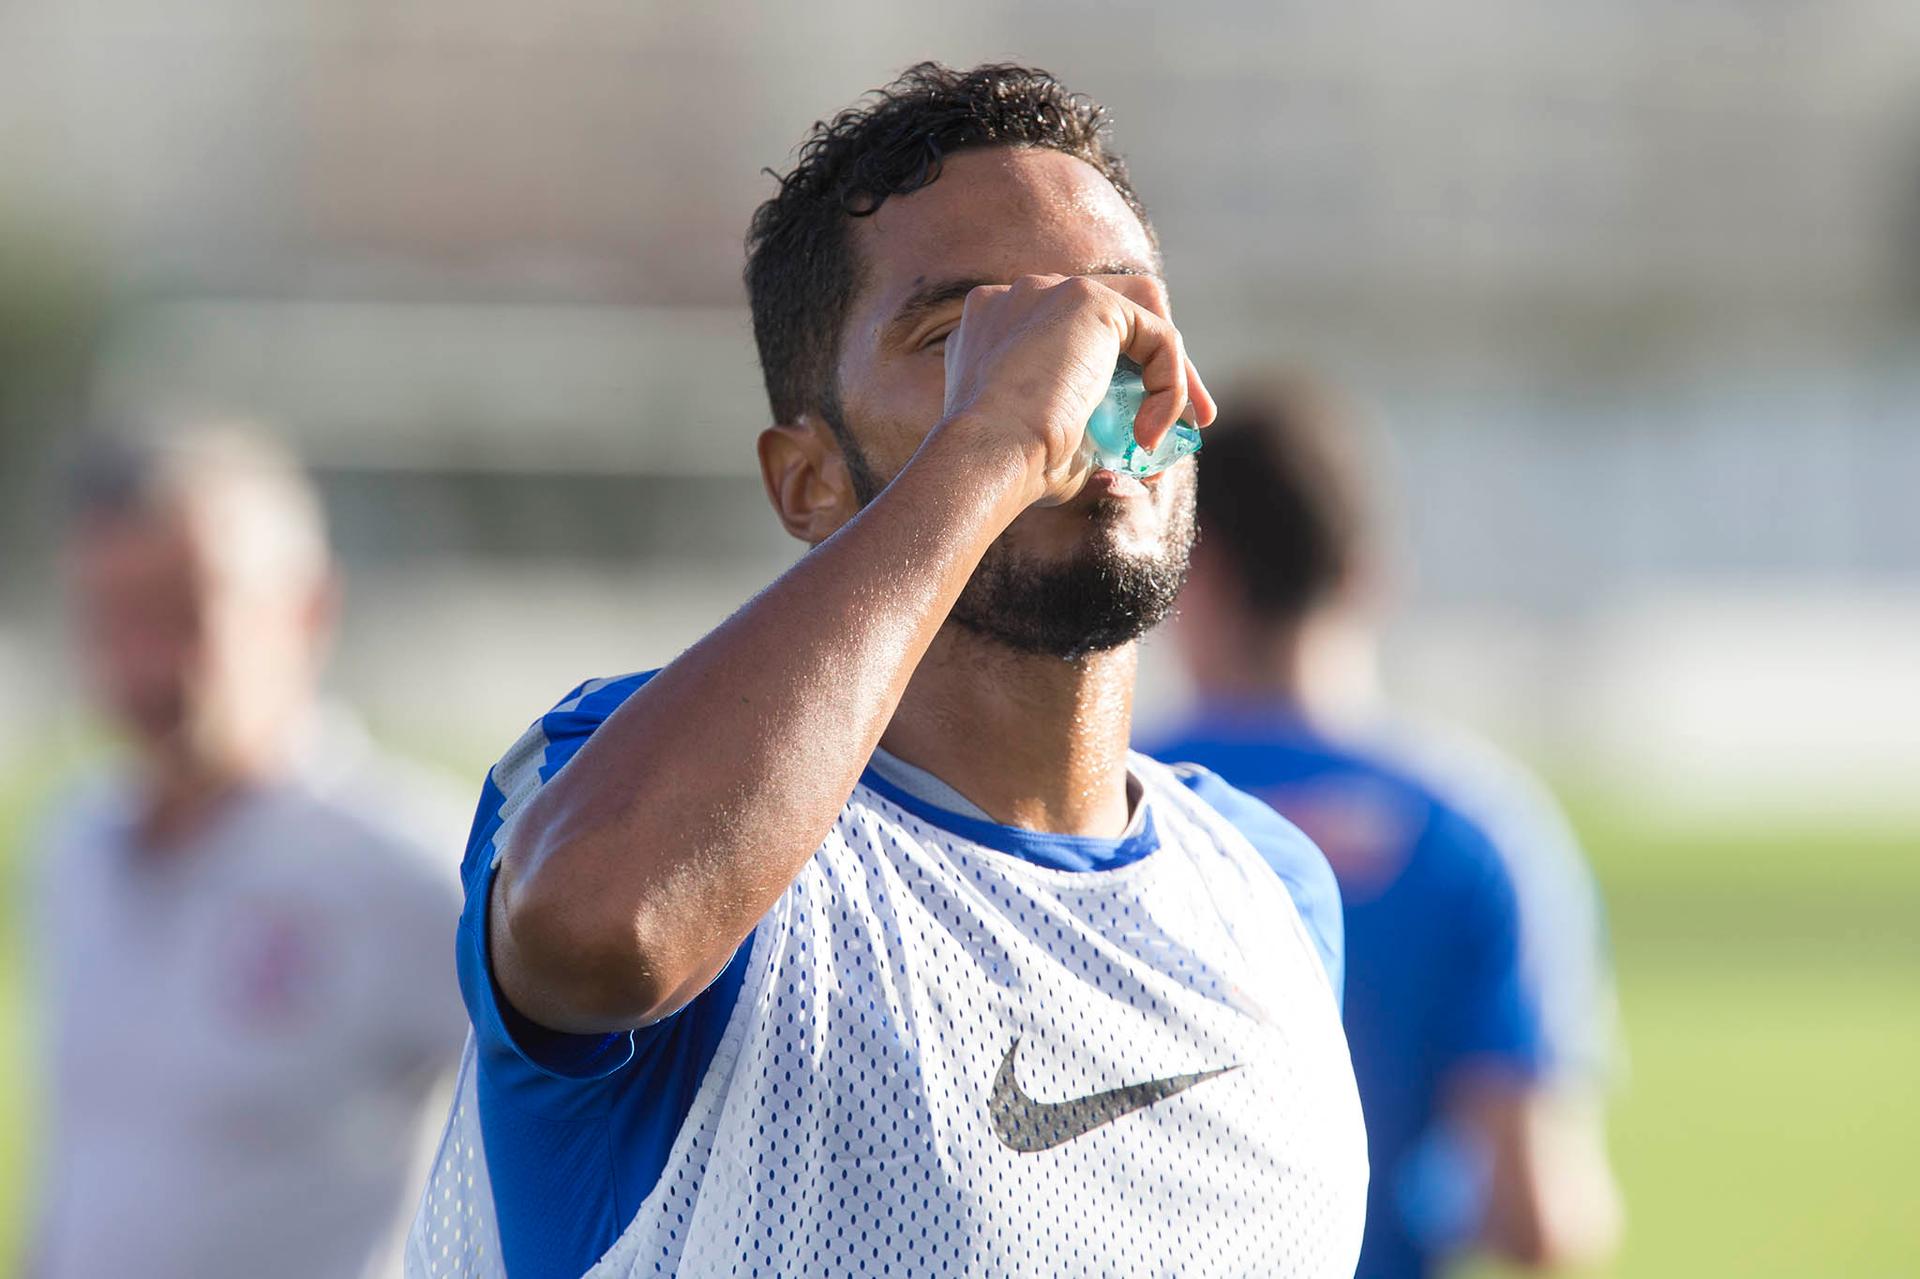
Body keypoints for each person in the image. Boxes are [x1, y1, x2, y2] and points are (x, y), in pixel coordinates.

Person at [407, 63, 1368, 1279]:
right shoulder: (638, 793)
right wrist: (998, 441)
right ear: (806, 480)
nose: (1088, 378)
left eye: (1122, 316)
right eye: (968, 333)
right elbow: (604, 928)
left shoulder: (1271, 888)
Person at [1144, 381, 1624, 1278]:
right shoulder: (1479, 828)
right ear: (1368, 572)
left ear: (1193, 570)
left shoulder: (1112, 807)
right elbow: (1541, 1215)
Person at [32, 427, 470, 1279]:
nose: (144, 662)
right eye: (110, 617)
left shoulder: (412, 869)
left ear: (306, 609)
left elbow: (605, 1123)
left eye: (184, 611)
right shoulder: (77, 844)